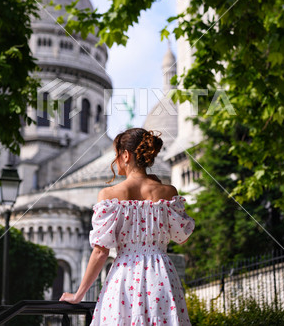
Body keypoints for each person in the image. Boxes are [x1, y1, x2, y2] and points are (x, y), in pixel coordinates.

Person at [60, 127, 195, 325]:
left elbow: (100, 252)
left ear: (125, 155)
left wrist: (78, 295)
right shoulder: (168, 192)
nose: (115, 161)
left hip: (125, 278)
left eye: (116, 155)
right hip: (161, 278)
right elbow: (182, 236)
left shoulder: (109, 196)